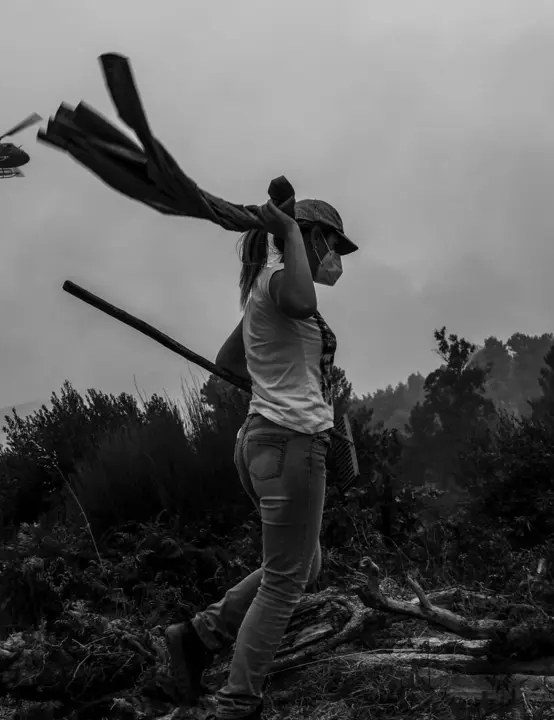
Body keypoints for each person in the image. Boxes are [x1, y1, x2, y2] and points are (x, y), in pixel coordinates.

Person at [164, 197, 359, 720]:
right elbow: (299, 300)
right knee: (285, 580)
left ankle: (198, 636)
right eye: (332, 243)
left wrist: (279, 386)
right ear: (308, 235)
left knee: (304, 563)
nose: (336, 256)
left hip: (262, 441)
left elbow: (230, 360)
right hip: (291, 446)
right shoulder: (281, 283)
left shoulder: (261, 289)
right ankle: (237, 701)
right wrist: (289, 232)